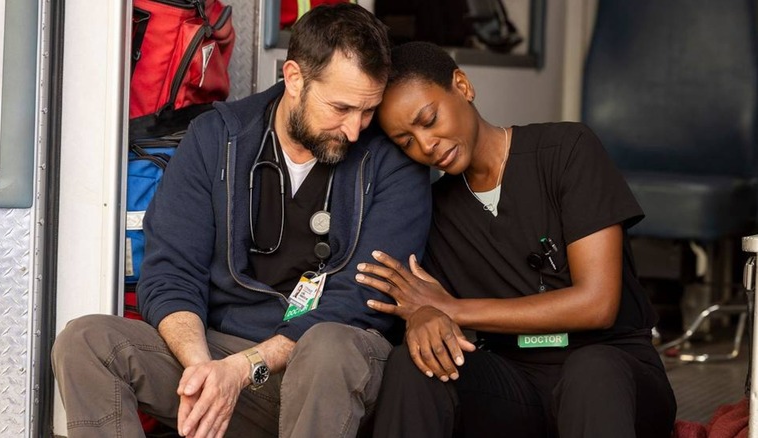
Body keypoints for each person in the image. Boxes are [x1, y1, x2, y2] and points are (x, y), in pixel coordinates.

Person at [51, 5, 431, 438]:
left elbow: (362, 299)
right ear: (294, 79)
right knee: (87, 342)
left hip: (333, 370)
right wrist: (206, 372)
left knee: (328, 347)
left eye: (367, 111)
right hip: (226, 357)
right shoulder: (216, 137)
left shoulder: (393, 160)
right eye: (341, 108)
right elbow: (172, 272)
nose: (355, 130)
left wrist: (246, 369)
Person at [354, 41, 677, 438]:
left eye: (429, 119)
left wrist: (454, 309)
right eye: (405, 141)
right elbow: (427, 302)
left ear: (462, 85)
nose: (426, 145)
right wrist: (424, 315)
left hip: (615, 374)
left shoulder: (568, 152)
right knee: (416, 364)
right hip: (516, 381)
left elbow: (598, 304)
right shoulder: (434, 209)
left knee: (591, 372)